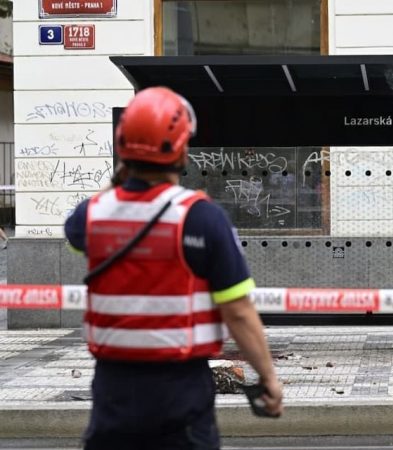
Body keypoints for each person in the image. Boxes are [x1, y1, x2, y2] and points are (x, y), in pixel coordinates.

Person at [64, 87, 283, 450]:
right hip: (179, 395)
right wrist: (269, 378)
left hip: (112, 394)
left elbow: (80, 228)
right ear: (181, 150)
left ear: (122, 147)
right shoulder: (201, 219)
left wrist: (123, 174)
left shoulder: (92, 216)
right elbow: (239, 312)